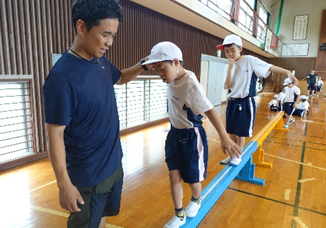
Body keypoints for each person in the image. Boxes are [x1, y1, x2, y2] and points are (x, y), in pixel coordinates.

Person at [43, 1, 149, 227]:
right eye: (105, 34)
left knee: (101, 218)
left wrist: (143, 64)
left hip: (113, 164)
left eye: (113, 35)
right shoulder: (61, 78)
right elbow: (55, 135)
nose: (110, 42)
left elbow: (119, 78)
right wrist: (64, 185)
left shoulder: (99, 60)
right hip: (88, 177)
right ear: (81, 27)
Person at [142, 41, 242, 228]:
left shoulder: (191, 85)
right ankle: (179, 214)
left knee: (193, 179)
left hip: (191, 137)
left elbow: (210, 110)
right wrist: (153, 61)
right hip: (174, 135)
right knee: (174, 176)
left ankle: (196, 199)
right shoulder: (172, 76)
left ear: (176, 62)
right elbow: (154, 63)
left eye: (162, 69)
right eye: (157, 70)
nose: (160, 74)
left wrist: (225, 137)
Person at [216, 34, 298, 165]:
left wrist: (287, 71)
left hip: (245, 101)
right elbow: (228, 86)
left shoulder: (249, 60)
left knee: (240, 131)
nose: (230, 54)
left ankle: (238, 155)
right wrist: (231, 68)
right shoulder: (228, 67)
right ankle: (232, 155)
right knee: (230, 131)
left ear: (240, 48)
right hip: (232, 101)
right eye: (227, 52)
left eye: (233, 50)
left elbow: (269, 67)